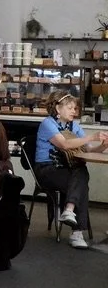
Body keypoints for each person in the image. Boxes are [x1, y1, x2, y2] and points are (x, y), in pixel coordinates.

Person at [34, 91, 108, 249]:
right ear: (58, 109)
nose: (74, 111)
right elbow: (65, 145)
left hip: (66, 169)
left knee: (80, 171)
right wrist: (91, 137)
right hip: (47, 169)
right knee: (81, 182)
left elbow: (88, 150)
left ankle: (69, 210)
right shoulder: (48, 123)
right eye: (70, 108)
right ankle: (77, 232)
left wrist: (103, 145)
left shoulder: (74, 125)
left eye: (75, 108)